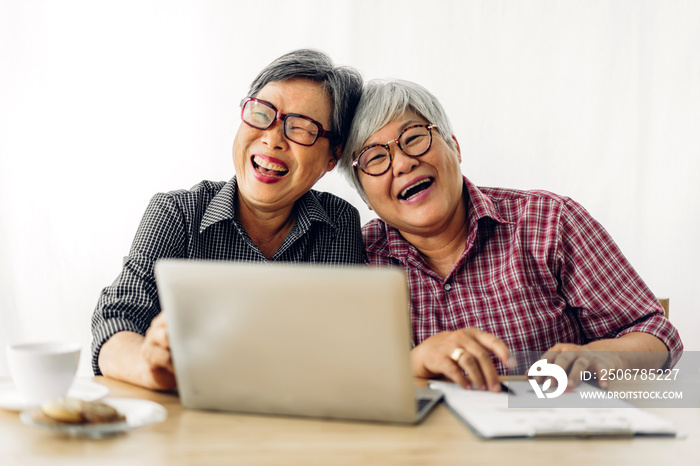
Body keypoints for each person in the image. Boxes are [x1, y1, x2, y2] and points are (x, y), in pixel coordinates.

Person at [339, 78, 682, 393]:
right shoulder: (355, 258)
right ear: (366, 197)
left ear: (454, 147)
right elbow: (342, 381)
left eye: (413, 138)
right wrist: (412, 363)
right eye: (374, 159)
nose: (401, 164)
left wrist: (606, 357)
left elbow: (657, 334)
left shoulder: (549, 221)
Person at [92, 49, 364, 391]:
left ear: (332, 156)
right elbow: (116, 321)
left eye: (300, 128)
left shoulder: (338, 225)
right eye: (262, 114)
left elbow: (344, 351)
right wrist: (152, 366)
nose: (271, 138)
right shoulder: (177, 213)